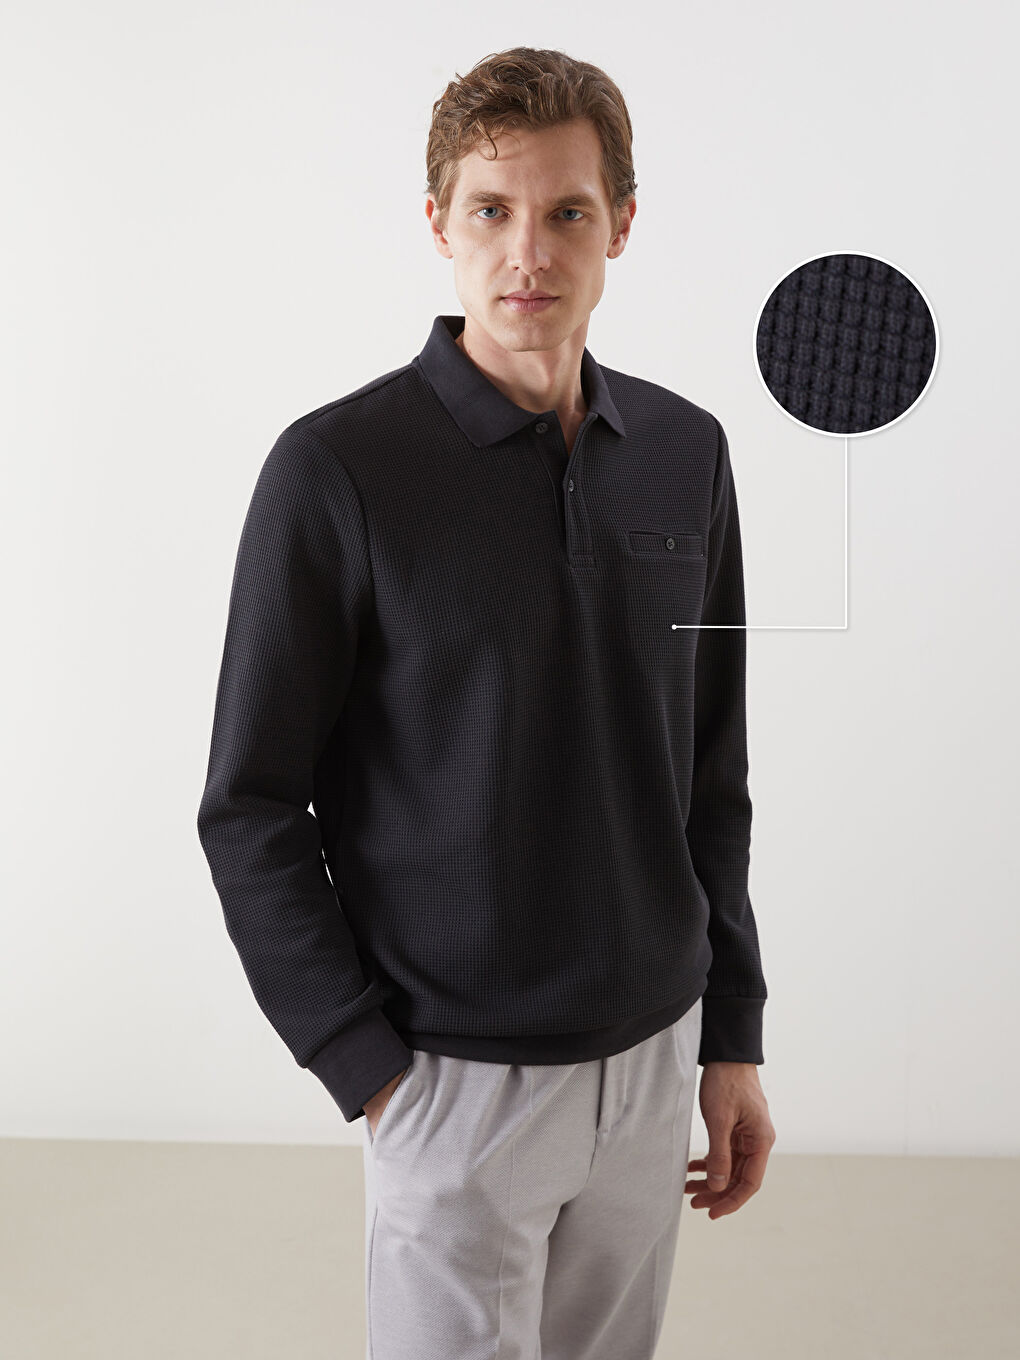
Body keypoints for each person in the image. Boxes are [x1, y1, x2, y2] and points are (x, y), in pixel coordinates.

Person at [197, 44, 775, 1360]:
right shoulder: (337, 468)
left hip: (653, 1064)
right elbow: (249, 804)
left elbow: (712, 771)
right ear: (438, 225)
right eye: (492, 210)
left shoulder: (686, 453)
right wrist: (363, 1065)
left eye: (568, 210)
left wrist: (731, 1035)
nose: (529, 252)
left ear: (621, 224)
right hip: (450, 1079)